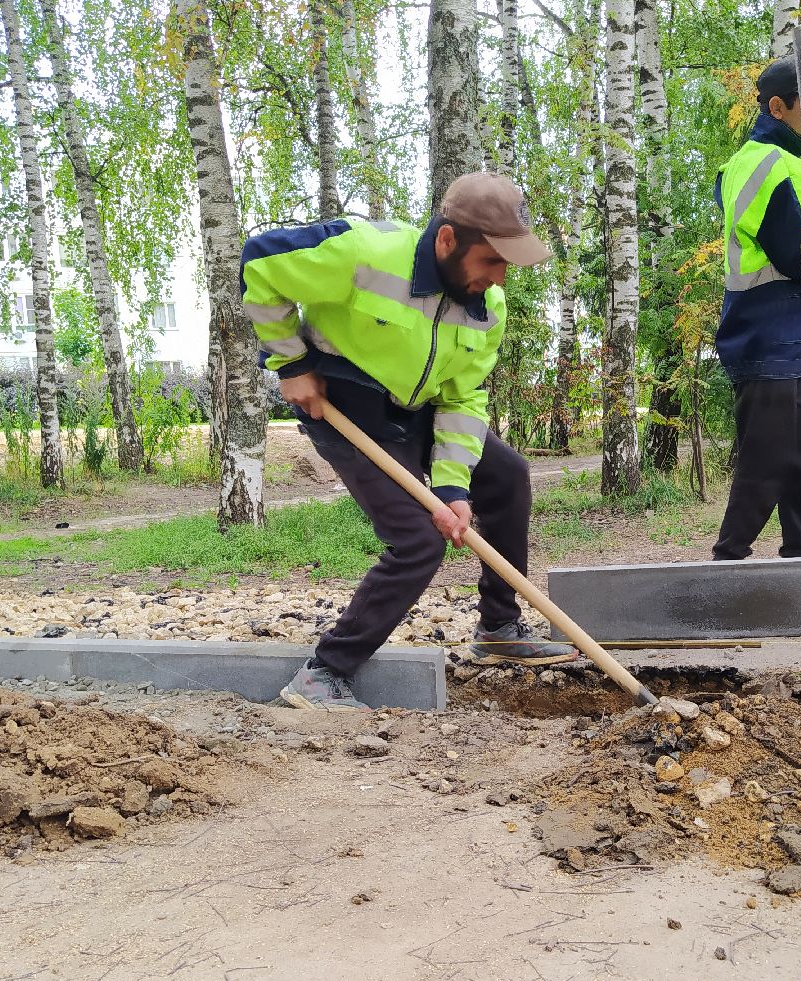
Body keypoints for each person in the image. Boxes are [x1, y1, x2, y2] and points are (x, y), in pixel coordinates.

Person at [241, 172, 578, 710]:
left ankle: (499, 628)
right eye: (492, 261)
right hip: (346, 404)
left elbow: (463, 399)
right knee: (419, 542)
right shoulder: (363, 252)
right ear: (448, 240)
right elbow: (260, 262)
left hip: (420, 408)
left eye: (506, 266)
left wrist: (451, 488)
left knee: (508, 476)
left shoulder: (487, 305)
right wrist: (291, 363)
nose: (500, 279)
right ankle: (323, 673)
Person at [709, 57, 801, 563]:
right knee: (766, 459)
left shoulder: (790, 161)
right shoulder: (759, 163)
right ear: (777, 106)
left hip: (785, 336)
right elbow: (794, 255)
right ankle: (728, 560)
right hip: (762, 333)